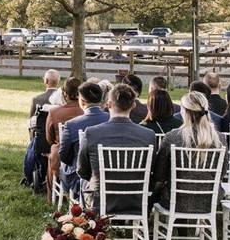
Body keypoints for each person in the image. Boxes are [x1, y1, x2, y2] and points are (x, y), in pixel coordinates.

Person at [77, 84, 156, 212]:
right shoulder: (148, 135)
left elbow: (82, 170)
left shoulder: (91, 133)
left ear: (108, 105)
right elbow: (151, 168)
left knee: (84, 183)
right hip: (135, 198)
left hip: (101, 199)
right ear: (133, 105)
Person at [151, 91, 225, 213]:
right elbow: (222, 172)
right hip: (209, 200)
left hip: (175, 200)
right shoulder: (220, 139)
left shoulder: (172, 137)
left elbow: (159, 174)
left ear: (184, 112)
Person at [53, 82, 108, 202]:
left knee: (63, 166)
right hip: (110, 173)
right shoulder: (111, 119)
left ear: (82, 101)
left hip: (81, 176)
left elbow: (64, 156)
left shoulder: (72, 125)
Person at [45, 77, 83, 147]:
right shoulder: (87, 112)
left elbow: (49, 139)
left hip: (61, 152)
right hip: (84, 153)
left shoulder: (54, 112)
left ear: (65, 93)